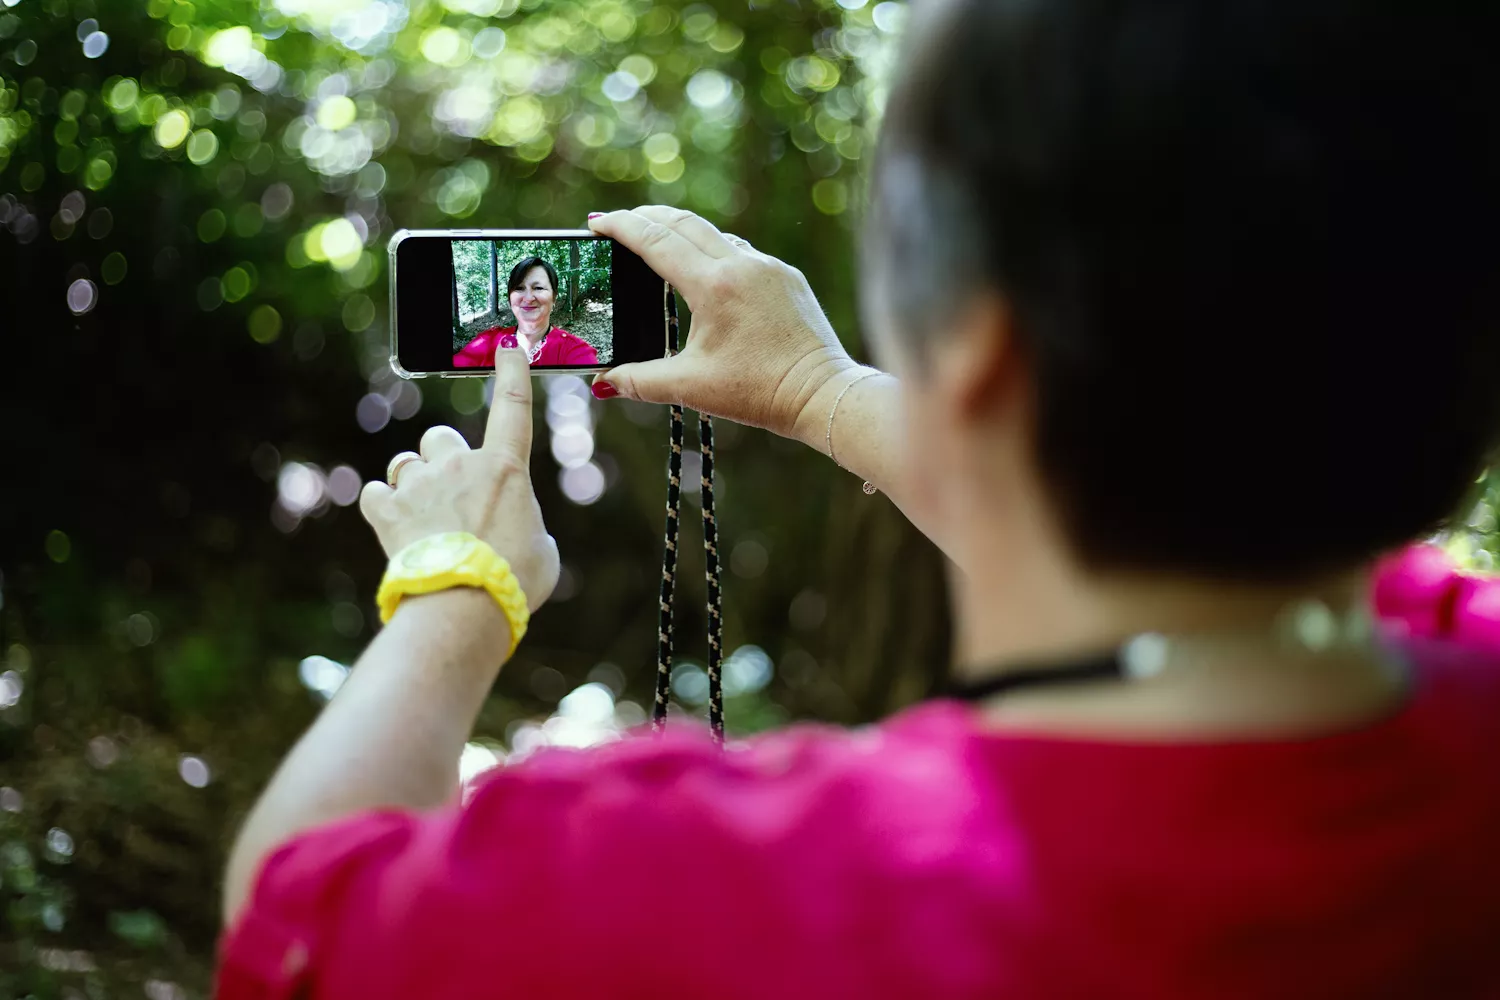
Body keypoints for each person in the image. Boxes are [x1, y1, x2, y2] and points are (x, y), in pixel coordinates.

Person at [217, 2, 1500, 998]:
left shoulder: (696, 897)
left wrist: (456, 589)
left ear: (979, 343)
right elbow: (1263, 538)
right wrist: (818, 389)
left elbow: (293, 914)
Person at [453, 255, 600, 368]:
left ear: (554, 297)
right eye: (519, 288)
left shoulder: (575, 351)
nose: (528, 298)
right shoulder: (488, 341)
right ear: (510, 298)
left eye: (538, 288)